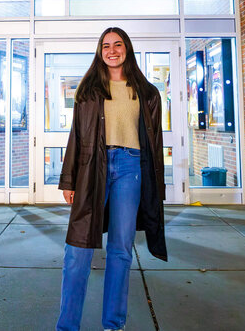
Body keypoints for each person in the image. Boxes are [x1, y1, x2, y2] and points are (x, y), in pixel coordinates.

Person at [56, 27, 167, 331]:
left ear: (127, 49)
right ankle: (67, 327)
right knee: (77, 248)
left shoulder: (146, 92)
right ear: (100, 51)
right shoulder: (88, 90)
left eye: (118, 44)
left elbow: (154, 144)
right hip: (94, 168)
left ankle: (113, 325)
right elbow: (76, 137)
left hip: (130, 168)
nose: (112, 50)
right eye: (106, 46)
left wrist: (158, 186)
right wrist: (69, 180)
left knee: (120, 248)